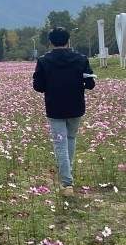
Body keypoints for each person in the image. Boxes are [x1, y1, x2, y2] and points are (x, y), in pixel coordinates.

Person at [32, 27, 96, 195]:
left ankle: (67, 183)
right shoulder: (81, 59)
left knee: (60, 144)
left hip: (54, 108)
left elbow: (38, 87)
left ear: (51, 42)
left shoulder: (44, 61)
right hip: (76, 107)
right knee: (71, 138)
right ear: (68, 40)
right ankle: (67, 173)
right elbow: (90, 84)